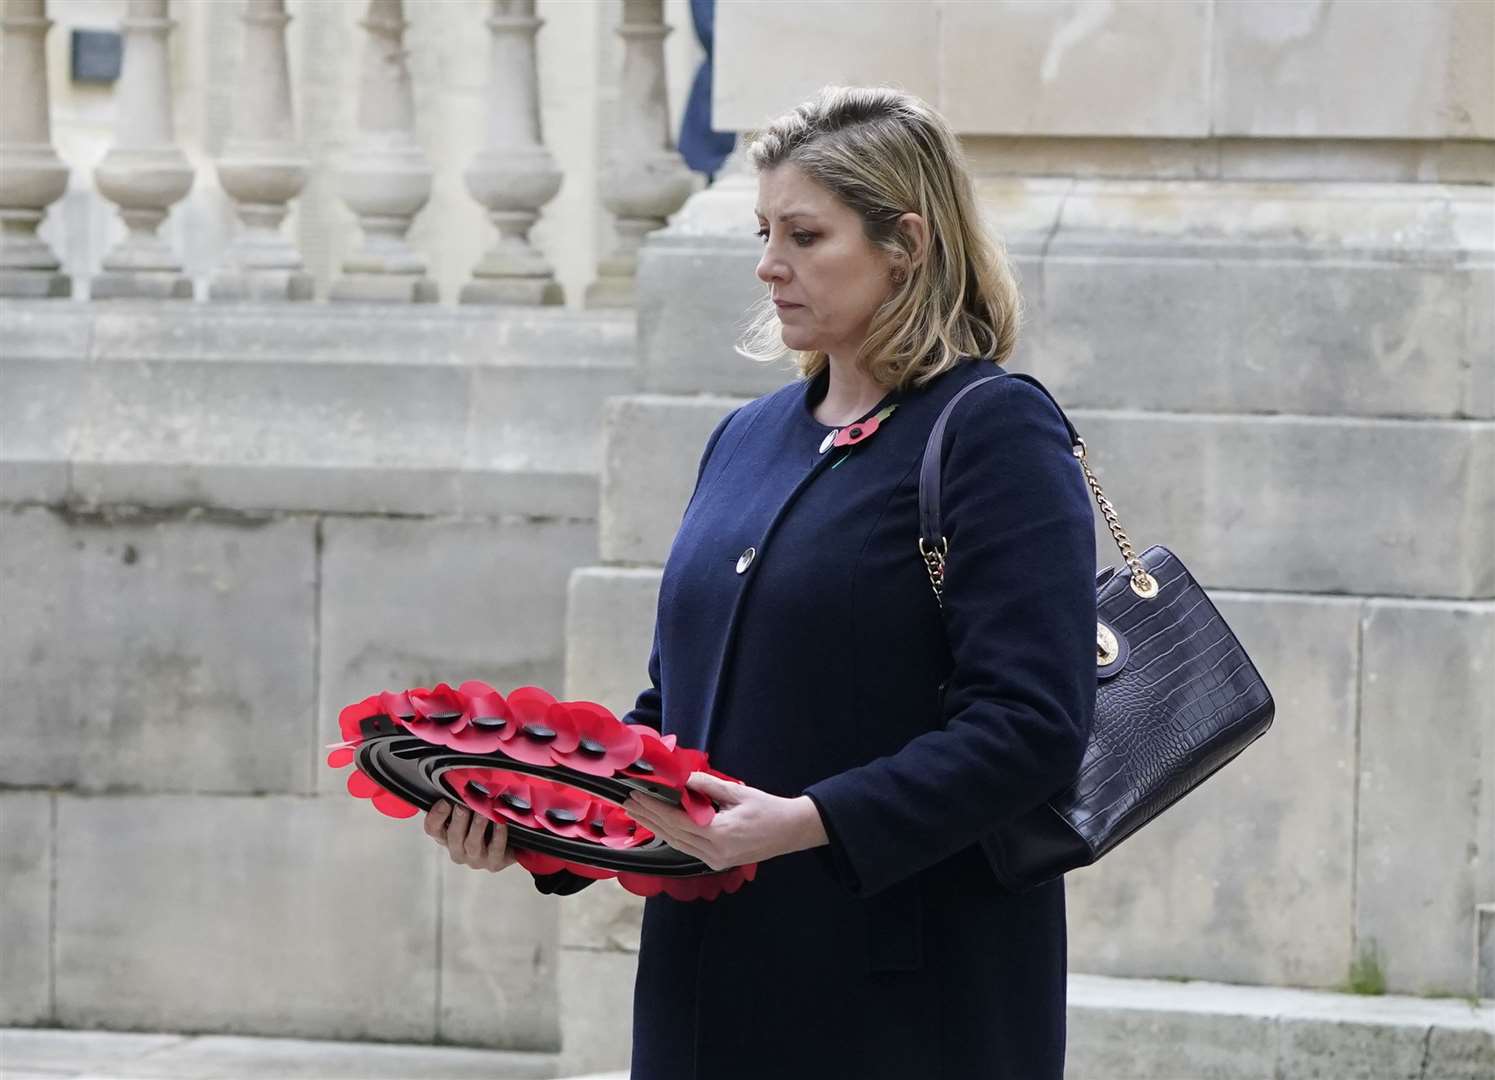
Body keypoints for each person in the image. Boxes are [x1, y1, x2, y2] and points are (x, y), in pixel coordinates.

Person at [423, 84, 1097, 1080]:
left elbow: (1033, 722)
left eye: (804, 235)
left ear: (904, 242)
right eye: (762, 230)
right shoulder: (744, 440)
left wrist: (809, 821)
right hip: (711, 990)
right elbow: (672, 719)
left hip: (905, 995)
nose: (767, 264)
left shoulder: (992, 431)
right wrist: (541, 824)